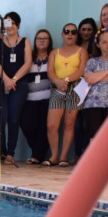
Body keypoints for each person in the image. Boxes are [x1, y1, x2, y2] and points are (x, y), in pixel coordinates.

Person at [44, 22, 88, 167]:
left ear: (77, 35)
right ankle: (54, 156)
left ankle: (63, 157)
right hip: (58, 88)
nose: (70, 34)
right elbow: (50, 71)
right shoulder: (54, 52)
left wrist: (67, 80)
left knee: (69, 124)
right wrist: (58, 82)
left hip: (75, 88)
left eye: (73, 32)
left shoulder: (82, 51)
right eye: (67, 31)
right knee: (52, 125)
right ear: (62, 34)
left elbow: (82, 70)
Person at [0, 12, 32, 166]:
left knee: (14, 119)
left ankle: (10, 154)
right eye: (7, 23)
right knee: (0, 118)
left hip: (18, 84)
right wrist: (6, 79)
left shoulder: (25, 42)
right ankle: (0, 151)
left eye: (13, 23)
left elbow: (27, 63)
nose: (10, 26)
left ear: (18, 25)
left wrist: (13, 80)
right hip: (1, 83)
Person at [21, 29, 53, 165]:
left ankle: (37, 156)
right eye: (39, 38)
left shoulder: (53, 56)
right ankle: (37, 152)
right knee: (27, 125)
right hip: (30, 99)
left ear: (49, 41)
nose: (42, 40)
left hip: (48, 98)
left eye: (45, 38)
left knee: (44, 127)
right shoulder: (30, 57)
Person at [74, 17, 99, 161]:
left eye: (89, 29)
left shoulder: (95, 46)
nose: (86, 32)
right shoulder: (74, 45)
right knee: (76, 124)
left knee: (86, 123)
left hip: (90, 87)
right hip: (76, 87)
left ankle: (85, 154)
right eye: (83, 29)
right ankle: (77, 154)